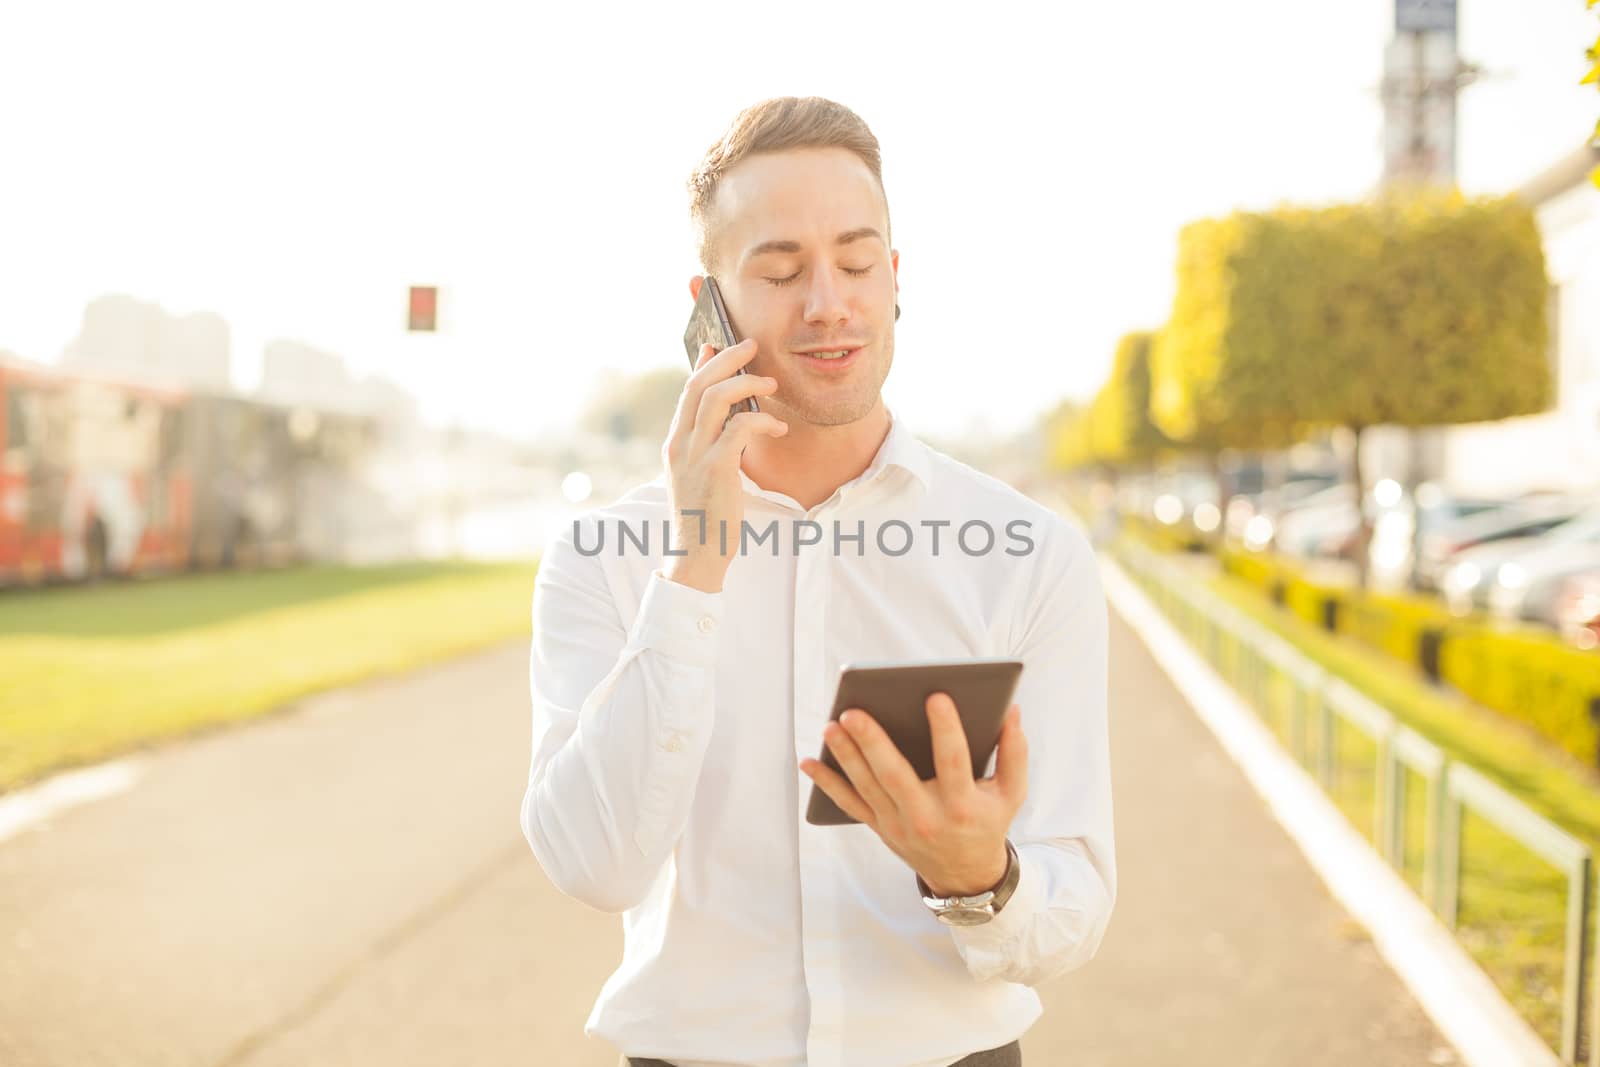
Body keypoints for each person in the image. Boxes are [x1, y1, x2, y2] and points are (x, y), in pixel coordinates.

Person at [521, 96, 1115, 1067]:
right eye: (781, 269)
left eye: (854, 258)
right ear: (707, 307)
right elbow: (594, 864)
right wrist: (697, 557)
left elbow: (1077, 899)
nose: (828, 301)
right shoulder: (603, 553)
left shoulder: (1029, 552)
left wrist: (981, 877)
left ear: (894, 276)